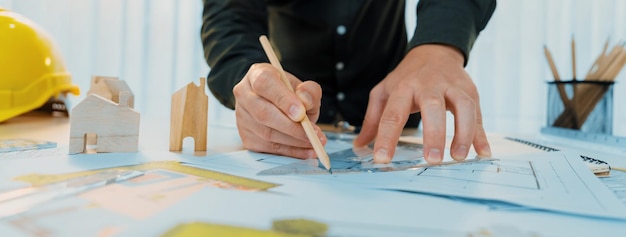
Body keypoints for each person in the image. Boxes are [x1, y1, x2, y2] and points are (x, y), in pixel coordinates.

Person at [201, 0, 495, 164]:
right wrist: (250, 79)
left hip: (398, 111)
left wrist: (439, 46)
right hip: (286, 121)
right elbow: (230, 17)